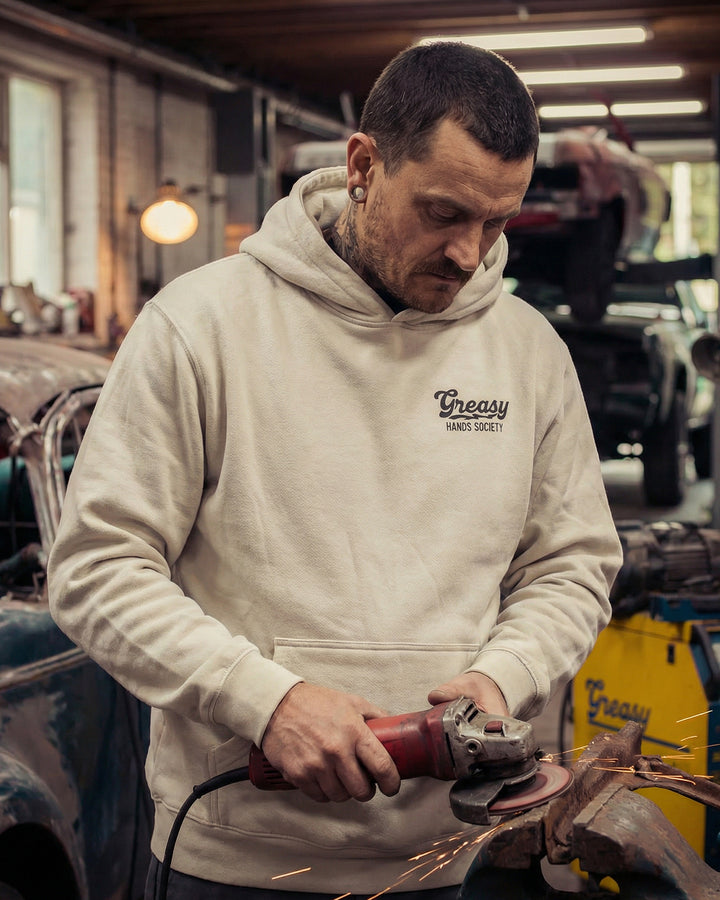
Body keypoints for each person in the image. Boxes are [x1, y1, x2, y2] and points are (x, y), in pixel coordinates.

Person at [48, 41, 622, 900]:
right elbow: (97, 570)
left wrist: (503, 677)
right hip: (238, 856)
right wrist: (263, 700)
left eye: (496, 222)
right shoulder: (201, 328)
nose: (469, 253)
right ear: (363, 164)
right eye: (442, 211)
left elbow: (571, 567)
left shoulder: (527, 352)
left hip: (447, 858)